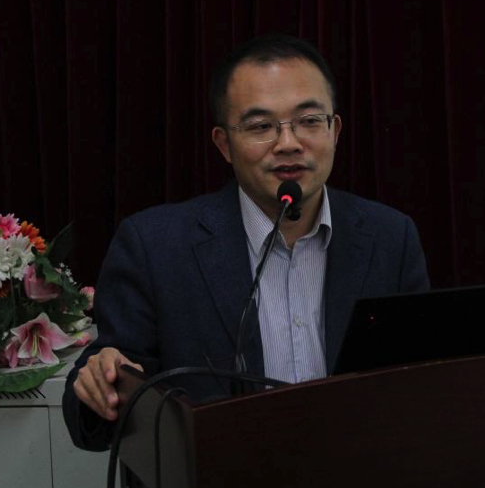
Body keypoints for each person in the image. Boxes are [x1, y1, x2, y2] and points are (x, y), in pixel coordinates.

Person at [63, 34, 429, 451]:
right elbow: (97, 415)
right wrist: (103, 381)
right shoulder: (155, 246)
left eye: (310, 121)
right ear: (224, 144)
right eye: (260, 127)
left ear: (335, 130)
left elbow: (424, 383)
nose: (289, 143)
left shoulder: (389, 237)